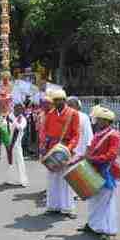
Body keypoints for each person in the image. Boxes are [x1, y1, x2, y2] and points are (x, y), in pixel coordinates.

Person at [77, 107, 120, 240]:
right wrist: (83, 158)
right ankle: (93, 225)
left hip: (108, 172)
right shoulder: (98, 133)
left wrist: (93, 159)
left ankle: (107, 231)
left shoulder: (114, 135)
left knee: (106, 203)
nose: (96, 121)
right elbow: (91, 151)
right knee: (94, 200)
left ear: (107, 121)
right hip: (95, 170)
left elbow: (111, 155)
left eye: (99, 119)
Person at [40, 89, 80, 219]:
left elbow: (76, 134)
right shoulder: (50, 114)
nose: (57, 102)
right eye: (55, 100)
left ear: (64, 100)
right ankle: (53, 207)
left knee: (65, 179)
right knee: (52, 178)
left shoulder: (73, 113)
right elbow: (45, 133)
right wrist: (43, 148)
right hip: (52, 150)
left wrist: (69, 148)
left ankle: (68, 208)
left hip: (65, 149)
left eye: (59, 100)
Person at [67, 96, 94, 200]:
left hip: (81, 147)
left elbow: (88, 134)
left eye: (71, 105)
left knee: (80, 171)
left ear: (78, 106)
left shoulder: (84, 117)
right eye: (68, 105)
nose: (69, 107)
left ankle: (80, 193)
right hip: (70, 148)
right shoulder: (67, 116)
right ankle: (71, 194)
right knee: (70, 172)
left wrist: (88, 148)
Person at [2, 104, 29, 187]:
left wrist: (13, 123)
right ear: (14, 108)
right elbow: (2, 126)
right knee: (7, 161)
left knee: (19, 161)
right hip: (7, 143)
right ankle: (9, 179)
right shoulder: (8, 116)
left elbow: (21, 127)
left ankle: (22, 180)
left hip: (16, 143)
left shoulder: (22, 119)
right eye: (17, 108)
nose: (18, 110)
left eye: (20, 109)